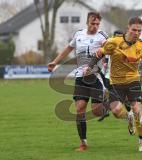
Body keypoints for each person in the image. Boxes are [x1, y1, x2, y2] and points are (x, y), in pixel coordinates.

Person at [86, 17, 142, 152]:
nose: (136, 33)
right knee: (115, 111)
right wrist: (90, 66)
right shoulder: (114, 42)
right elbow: (99, 53)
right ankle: (128, 117)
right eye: (134, 30)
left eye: (139, 31)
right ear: (128, 28)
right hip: (115, 83)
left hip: (133, 81)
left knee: (138, 110)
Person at [48, 12, 109, 152]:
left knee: (96, 111)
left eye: (97, 24)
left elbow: (111, 48)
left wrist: (105, 49)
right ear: (87, 22)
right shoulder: (78, 35)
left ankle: (107, 106)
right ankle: (83, 143)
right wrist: (54, 62)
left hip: (95, 77)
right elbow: (68, 49)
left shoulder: (103, 36)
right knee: (80, 109)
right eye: (92, 23)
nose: (95, 26)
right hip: (80, 77)